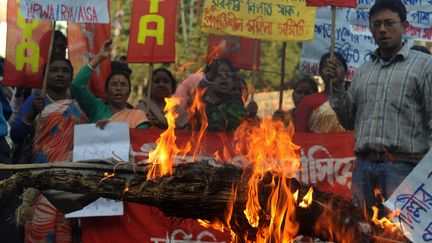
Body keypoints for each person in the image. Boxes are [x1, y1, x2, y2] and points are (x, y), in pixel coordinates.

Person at [327, 0, 432, 217]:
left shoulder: (424, 66)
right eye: (376, 24)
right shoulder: (363, 71)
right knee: (359, 231)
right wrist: (337, 86)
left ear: (404, 26)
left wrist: (426, 174)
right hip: (363, 168)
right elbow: (348, 121)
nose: (382, 29)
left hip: (404, 170)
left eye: (388, 23)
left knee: (398, 236)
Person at [10, 57, 88, 243]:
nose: (60, 74)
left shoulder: (78, 105)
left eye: (65, 70)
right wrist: (32, 113)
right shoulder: (36, 100)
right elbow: (16, 135)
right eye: (54, 70)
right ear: (45, 76)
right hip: (39, 181)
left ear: (71, 77)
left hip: (69, 179)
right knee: (39, 227)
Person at [72, 39, 149, 129]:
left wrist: (113, 130)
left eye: (123, 85)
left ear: (129, 92)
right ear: (106, 91)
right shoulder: (96, 108)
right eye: (114, 84)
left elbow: (140, 140)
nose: (119, 88)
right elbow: (77, 84)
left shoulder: (138, 116)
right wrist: (99, 57)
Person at [295, 53, 347, 133]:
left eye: (337, 65)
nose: (332, 69)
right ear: (320, 72)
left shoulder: (354, 101)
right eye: (327, 67)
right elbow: (300, 136)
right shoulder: (307, 102)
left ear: (345, 72)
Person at [197, 57, 246, 132]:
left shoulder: (236, 105)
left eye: (228, 74)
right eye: (220, 74)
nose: (224, 77)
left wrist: (250, 116)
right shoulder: (198, 103)